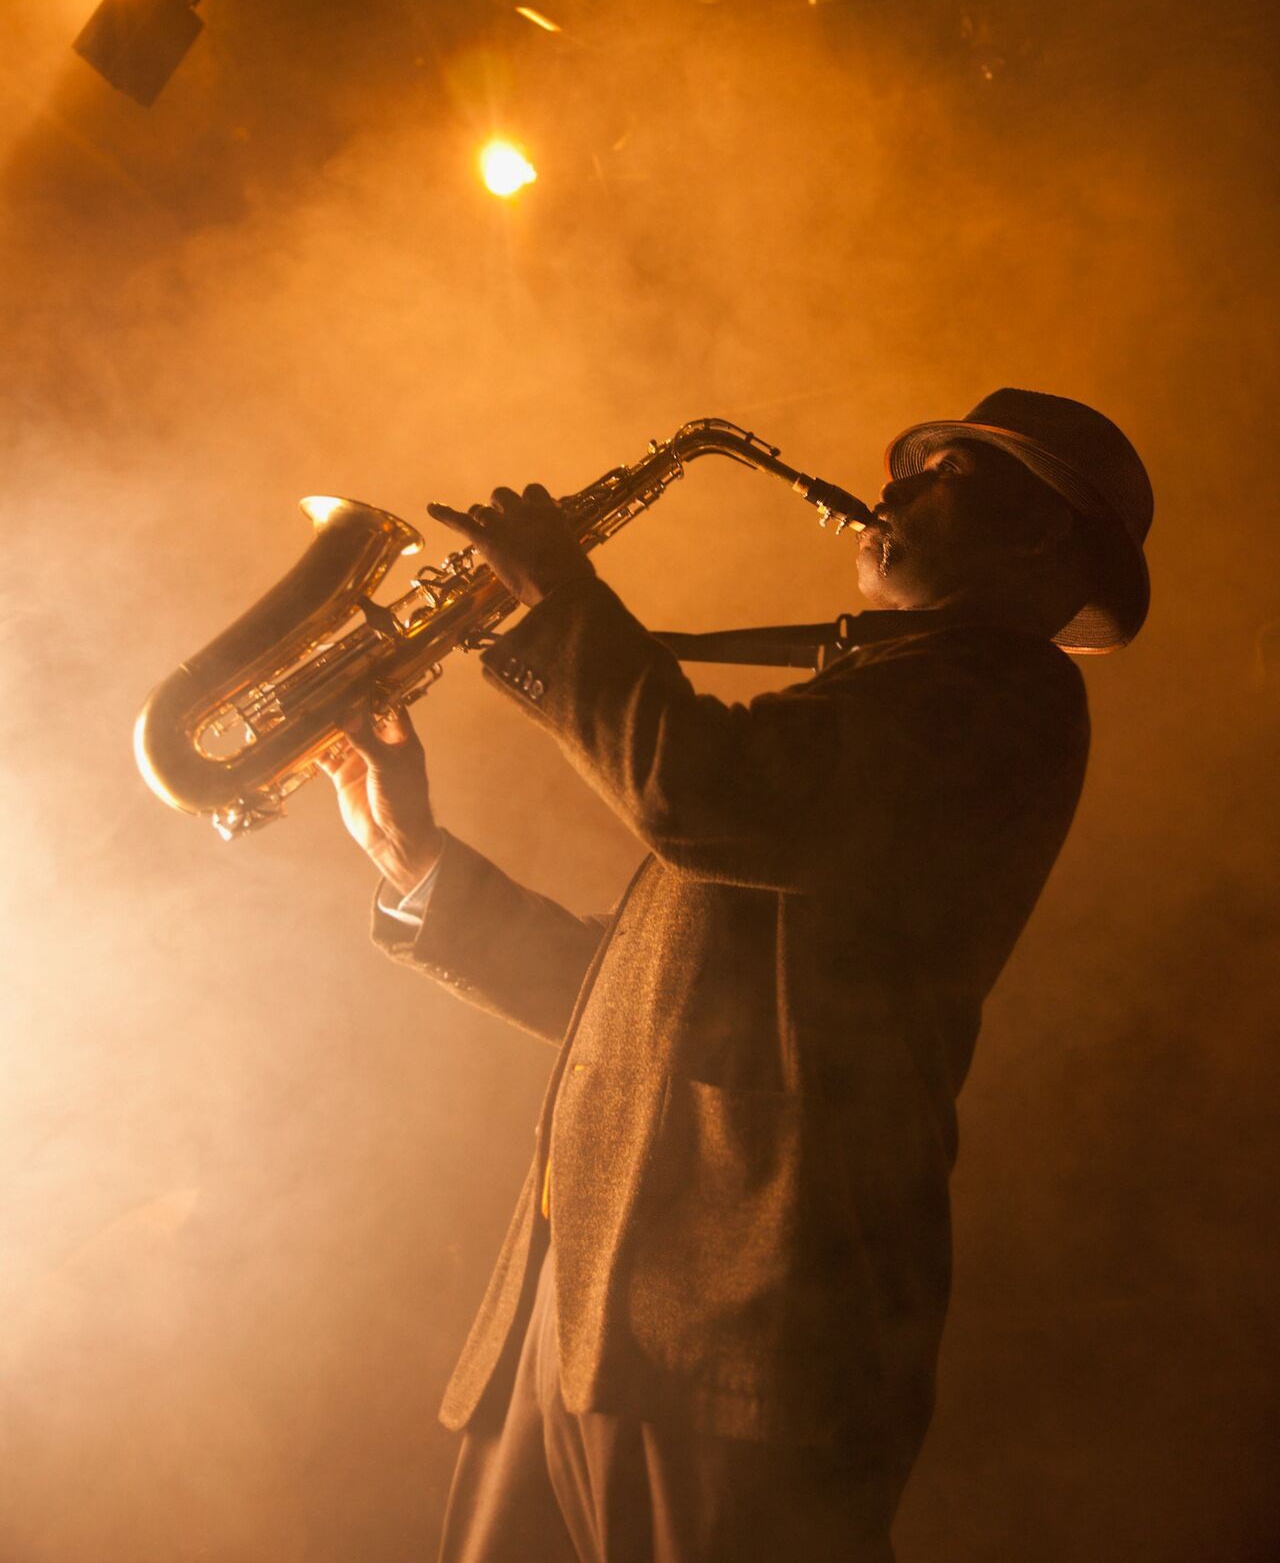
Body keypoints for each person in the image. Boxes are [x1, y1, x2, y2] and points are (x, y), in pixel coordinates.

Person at [324, 388, 1153, 1563]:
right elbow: (639, 1019)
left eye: (946, 476)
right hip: (586, 1321)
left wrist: (563, 600)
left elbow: (705, 798)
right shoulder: (877, 698)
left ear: (1035, 536)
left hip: (739, 1331)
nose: (896, 486)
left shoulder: (1001, 695)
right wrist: (422, 869)